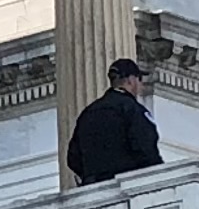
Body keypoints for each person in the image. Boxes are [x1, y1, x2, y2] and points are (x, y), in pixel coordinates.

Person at [65, 56, 163, 188]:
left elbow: (73, 157)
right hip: (126, 187)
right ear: (131, 80)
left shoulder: (88, 113)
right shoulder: (132, 110)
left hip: (94, 189)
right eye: (140, 80)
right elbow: (145, 147)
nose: (140, 86)